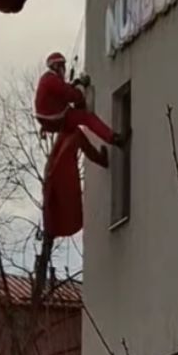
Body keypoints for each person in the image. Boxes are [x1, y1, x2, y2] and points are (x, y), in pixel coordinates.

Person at [35, 52, 127, 237]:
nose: (62, 70)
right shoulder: (50, 80)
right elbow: (69, 94)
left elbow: (65, 91)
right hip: (56, 118)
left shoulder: (49, 81)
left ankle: (101, 159)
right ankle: (113, 137)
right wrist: (80, 95)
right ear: (57, 67)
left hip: (53, 119)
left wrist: (76, 86)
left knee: (77, 136)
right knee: (86, 118)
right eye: (61, 67)